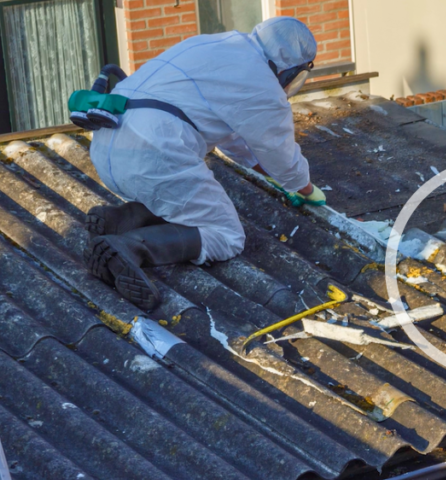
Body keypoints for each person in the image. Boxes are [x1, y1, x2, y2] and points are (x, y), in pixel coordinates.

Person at [84, 16, 327, 311]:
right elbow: (278, 150)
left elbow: (234, 138)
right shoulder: (261, 83)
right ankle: (130, 247)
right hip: (155, 155)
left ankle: (122, 219)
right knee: (226, 236)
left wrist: (273, 176)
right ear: (290, 68)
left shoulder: (214, 43)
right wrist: (305, 188)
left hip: (107, 144)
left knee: (181, 202)